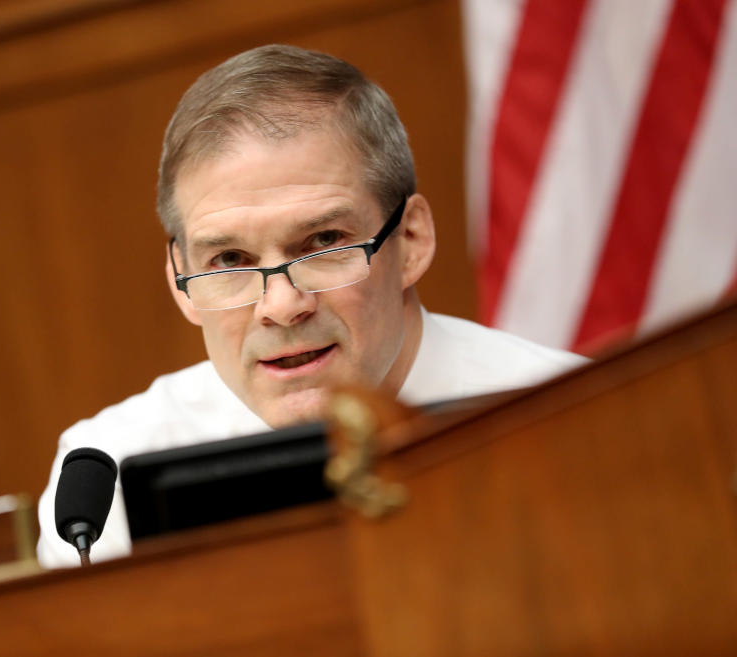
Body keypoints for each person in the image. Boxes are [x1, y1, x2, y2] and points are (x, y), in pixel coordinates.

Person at [37, 44, 586, 567]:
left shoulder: (583, 421)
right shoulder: (101, 484)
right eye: (229, 259)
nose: (281, 305)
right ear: (181, 281)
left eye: (324, 242)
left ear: (412, 241)